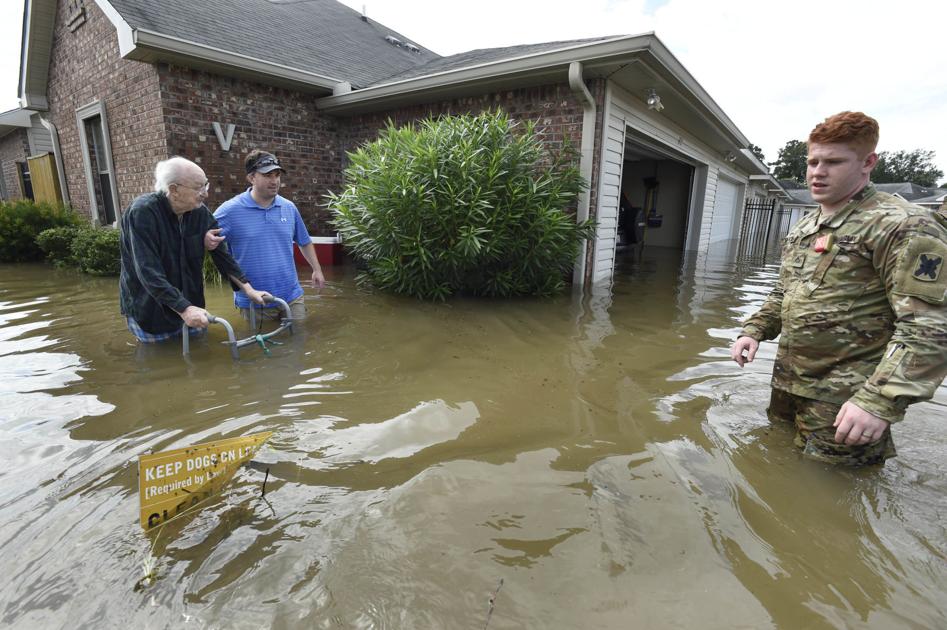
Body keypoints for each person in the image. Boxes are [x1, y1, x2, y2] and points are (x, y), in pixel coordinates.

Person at [730, 111, 947, 465]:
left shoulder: (902, 227)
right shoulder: (807, 226)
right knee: (780, 474)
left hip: (847, 403)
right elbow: (784, 293)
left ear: (868, 162)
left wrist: (878, 402)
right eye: (813, 161)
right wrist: (753, 331)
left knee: (832, 497)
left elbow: (930, 328)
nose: (818, 171)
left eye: (833, 161)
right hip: (789, 384)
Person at [119, 156, 268, 342]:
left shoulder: (199, 212)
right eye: (198, 187)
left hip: (192, 303)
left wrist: (248, 289)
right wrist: (184, 309)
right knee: (160, 363)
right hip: (150, 308)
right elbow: (148, 271)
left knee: (199, 354)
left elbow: (222, 254)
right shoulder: (142, 213)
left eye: (206, 185)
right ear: (174, 190)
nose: (205, 193)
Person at [212, 150, 324, 325]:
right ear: (251, 178)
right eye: (267, 175)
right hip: (256, 301)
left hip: (292, 295)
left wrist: (316, 269)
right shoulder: (229, 211)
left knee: (300, 341)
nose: (275, 181)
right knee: (265, 351)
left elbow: (304, 241)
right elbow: (203, 238)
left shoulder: (288, 207)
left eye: (277, 174)